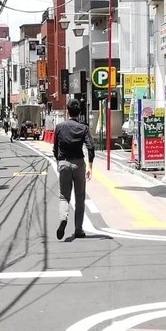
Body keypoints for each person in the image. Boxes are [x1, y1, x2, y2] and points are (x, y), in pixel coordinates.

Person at [53, 101, 95, 240]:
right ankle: (78, 229)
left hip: (64, 163)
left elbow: (55, 148)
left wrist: (59, 161)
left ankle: (63, 219)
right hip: (78, 164)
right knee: (80, 197)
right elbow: (90, 147)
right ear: (79, 112)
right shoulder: (83, 128)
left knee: (64, 196)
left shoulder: (59, 127)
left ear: (67, 111)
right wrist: (90, 166)